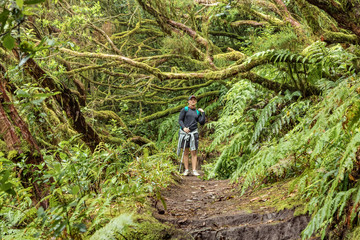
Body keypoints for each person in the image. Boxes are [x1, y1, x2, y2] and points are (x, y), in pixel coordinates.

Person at [177, 95, 205, 176]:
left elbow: (202, 122)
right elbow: (180, 120)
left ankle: (194, 170)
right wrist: (184, 128)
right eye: (191, 100)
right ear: (188, 101)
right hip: (184, 133)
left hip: (194, 133)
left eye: (194, 100)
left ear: (196, 102)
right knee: (185, 152)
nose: (193, 101)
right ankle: (186, 170)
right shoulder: (185, 110)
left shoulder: (197, 112)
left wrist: (203, 113)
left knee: (194, 152)